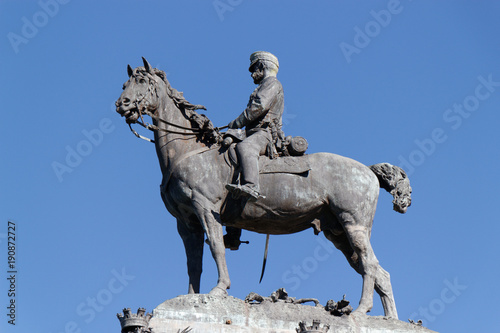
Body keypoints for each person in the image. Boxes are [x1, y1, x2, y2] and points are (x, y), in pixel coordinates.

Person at [226, 51, 284, 200]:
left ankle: (252, 186)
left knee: (245, 147)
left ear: (262, 66)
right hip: (252, 132)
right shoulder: (264, 85)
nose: (252, 74)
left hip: (264, 134)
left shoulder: (272, 83)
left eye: (254, 69)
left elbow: (259, 106)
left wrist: (237, 122)